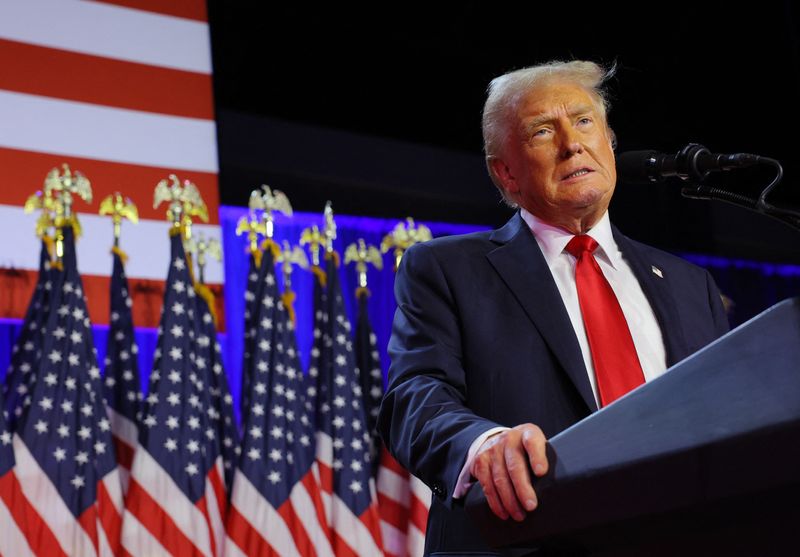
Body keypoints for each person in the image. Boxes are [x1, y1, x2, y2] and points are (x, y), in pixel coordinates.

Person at [377, 59, 730, 555]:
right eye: (543, 131)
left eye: (584, 121)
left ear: (610, 141)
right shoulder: (447, 269)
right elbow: (414, 398)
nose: (572, 143)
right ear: (506, 173)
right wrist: (482, 447)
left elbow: (726, 417)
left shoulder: (690, 285)